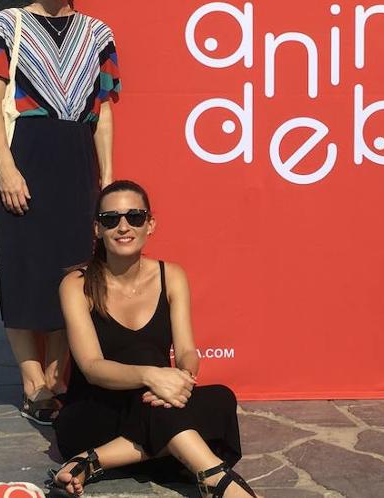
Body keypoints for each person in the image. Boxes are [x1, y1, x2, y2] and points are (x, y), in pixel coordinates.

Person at [0, 0, 121, 426]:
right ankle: (30, 381)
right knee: (21, 271)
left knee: (71, 271)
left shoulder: (98, 33)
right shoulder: (7, 24)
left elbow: (103, 111)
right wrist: (7, 167)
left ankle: (58, 379)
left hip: (77, 160)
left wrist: (109, 181)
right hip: (26, 154)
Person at [49, 180, 252, 498]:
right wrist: (151, 374)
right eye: (110, 219)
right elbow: (91, 367)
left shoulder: (171, 275)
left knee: (221, 398)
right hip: (94, 413)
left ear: (150, 224)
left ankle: (92, 462)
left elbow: (186, 350)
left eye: (135, 216)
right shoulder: (76, 284)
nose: (123, 226)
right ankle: (215, 478)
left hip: (151, 408)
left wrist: (182, 377)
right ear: (97, 229)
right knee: (143, 356)